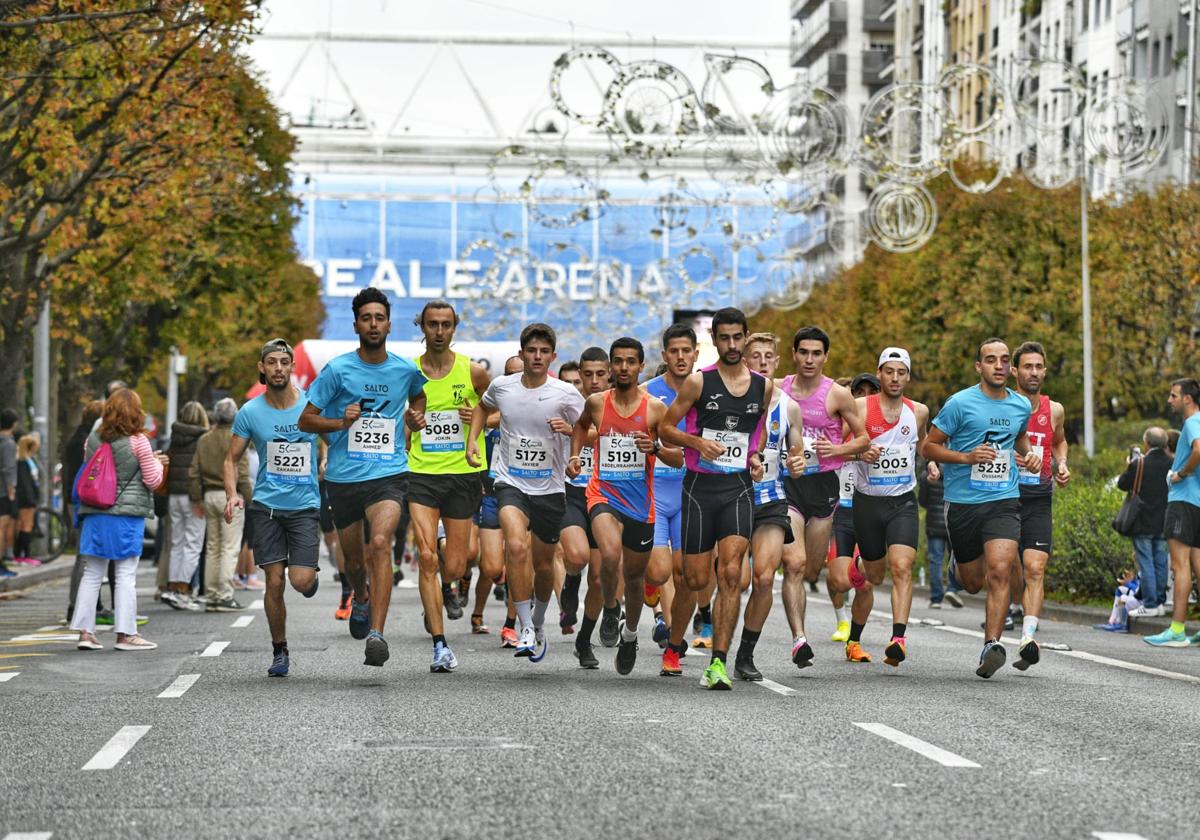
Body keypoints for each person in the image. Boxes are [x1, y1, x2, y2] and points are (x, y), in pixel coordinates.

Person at [299, 286, 428, 667]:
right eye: (366, 318)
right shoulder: (338, 369)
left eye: (380, 317)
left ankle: (377, 633)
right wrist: (341, 422)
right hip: (344, 478)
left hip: (389, 473)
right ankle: (360, 594)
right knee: (353, 562)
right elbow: (305, 419)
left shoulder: (405, 369)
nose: (374, 324)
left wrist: (412, 422)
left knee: (382, 543)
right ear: (356, 324)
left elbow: (418, 397)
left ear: (389, 324)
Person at [658, 307, 770, 691]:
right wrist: (696, 442)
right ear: (715, 341)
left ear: (746, 336)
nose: (733, 345)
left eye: (739, 337)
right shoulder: (697, 383)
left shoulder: (762, 386)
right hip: (699, 489)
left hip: (738, 488)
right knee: (694, 577)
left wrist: (755, 457)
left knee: (733, 573)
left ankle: (718, 662)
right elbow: (665, 427)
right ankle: (674, 643)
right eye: (725, 338)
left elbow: (757, 436)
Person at [922, 338, 1041, 678]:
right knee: (972, 583)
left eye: (1004, 360)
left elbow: (1021, 439)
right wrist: (966, 457)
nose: (999, 365)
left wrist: (1029, 455)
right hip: (963, 503)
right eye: (991, 360)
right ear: (979, 367)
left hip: (1004, 499)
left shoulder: (1020, 406)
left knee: (1001, 570)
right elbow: (929, 447)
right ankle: (956, 565)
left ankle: (991, 644)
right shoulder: (959, 404)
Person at [466, 323, 585, 661]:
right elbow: (481, 408)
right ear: (521, 354)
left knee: (544, 564)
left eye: (543, 352)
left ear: (553, 356)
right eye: (531, 351)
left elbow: (586, 429)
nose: (537, 357)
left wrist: (572, 442)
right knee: (515, 545)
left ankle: (538, 621)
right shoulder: (502, 386)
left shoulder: (565, 393)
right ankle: (525, 628)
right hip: (509, 481)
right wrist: (473, 440)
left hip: (549, 487)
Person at [569, 336, 677, 674]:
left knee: (634, 579)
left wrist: (656, 449)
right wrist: (575, 455)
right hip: (602, 494)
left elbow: (677, 457)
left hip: (640, 507)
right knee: (610, 554)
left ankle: (629, 635)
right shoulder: (599, 403)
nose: (624, 368)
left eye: (631, 361)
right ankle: (611, 610)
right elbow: (580, 427)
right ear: (612, 365)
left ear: (641, 366)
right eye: (618, 361)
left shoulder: (655, 409)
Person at [224, 339, 322, 677]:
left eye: (284, 362)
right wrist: (232, 494)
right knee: (274, 582)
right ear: (262, 368)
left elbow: (329, 441)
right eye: (272, 362)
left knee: (300, 580)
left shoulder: (311, 407)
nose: (279, 368)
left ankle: (310, 580)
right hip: (266, 506)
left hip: (305, 505)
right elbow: (230, 458)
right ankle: (280, 650)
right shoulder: (250, 411)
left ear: (292, 367)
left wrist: (325, 464)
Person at [777, 326, 869, 669]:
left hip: (824, 486)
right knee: (795, 564)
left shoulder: (838, 394)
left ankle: (802, 625)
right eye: (804, 352)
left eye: (816, 353)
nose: (810, 359)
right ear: (795, 354)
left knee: (812, 568)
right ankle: (799, 639)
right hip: (788, 485)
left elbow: (863, 440)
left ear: (825, 357)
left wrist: (838, 448)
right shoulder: (778, 390)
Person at [407, 300, 491, 673]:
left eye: (445, 324)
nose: (439, 331)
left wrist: (480, 419)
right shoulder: (409, 374)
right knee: (427, 557)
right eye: (432, 324)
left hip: (462, 474)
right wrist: (409, 422)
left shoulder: (473, 373)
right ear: (422, 328)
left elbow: (497, 411)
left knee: (455, 564)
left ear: (454, 328)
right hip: (421, 473)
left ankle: (447, 586)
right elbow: (398, 422)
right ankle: (440, 645)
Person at [842, 348, 932, 667]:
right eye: (889, 371)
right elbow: (838, 450)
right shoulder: (858, 407)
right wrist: (858, 455)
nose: (895, 378)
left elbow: (922, 444)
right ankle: (863, 564)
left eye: (901, 372)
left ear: (908, 376)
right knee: (875, 576)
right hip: (867, 503)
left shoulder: (918, 411)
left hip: (902, 502)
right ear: (879, 374)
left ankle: (898, 639)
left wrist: (930, 462)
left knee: (903, 566)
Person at [71, 388, 167, 652]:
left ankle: (85, 633)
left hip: (94, 512)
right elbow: (153, 480)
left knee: (92, 573)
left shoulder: (92, 439)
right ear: (136, 413)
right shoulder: (139, 442)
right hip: (125, 515)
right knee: (125, 573)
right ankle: (126, 634)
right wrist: (159, 463)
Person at [733, 332, 804, 681]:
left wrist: (797, 462)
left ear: (777, 362)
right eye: (755, 356)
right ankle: (714, 636)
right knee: (735, 578)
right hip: (733, 497)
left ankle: (745, 655)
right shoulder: (732, 400)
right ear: (745, 361)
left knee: (763, 578)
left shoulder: (788, 406)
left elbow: (797, 451)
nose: (762, 362)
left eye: (768, 356)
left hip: (772, 500)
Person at [1008, 341, 1070, 649]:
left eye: (1038, 367)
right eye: (1027, 367)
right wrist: (1008, 455)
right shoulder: (1001, 406)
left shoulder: (1054, 409)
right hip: (1003, 498)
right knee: (1006, 566)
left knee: (1035, 566)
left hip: (1038, 498)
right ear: (1014, 370)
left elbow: (1059, 442)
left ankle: (1027, 637)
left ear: (1044, 371)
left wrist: (1062, 464)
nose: (1033, 372)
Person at [645, 324, 697, 676]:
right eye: (673, 351)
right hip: (654, 491)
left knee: (687, 576)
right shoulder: (646, 393)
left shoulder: (708, 391)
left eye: (686, 351)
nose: (680, 357)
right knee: (660, 570)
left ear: (695, 354)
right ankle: (651, 590)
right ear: (664, 355)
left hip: (692, 492)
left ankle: (673, 643)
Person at [560, 347, 612, 668]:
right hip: (572, 492)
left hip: (606, 498)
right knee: (577, 556)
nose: (593, 381)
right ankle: (569, 579)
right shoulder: (566, 404)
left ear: (609, 374)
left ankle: (584, 640)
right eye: (586, 375)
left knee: (599, 579)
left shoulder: (619, 405)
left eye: (599, 374)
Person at [1145, 378, 1200, 647]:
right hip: (1198, 502)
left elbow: (1199, 450)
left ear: (1187, 398)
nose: (1170, 400)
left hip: (1183, 500)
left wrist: (1181, 473)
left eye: (1173, 395)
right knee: (1198, 566)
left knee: (1180, 567)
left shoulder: (1191, 424)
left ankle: (1177, 629)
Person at [826, 373, 880, 641]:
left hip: (869, 508)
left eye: (872, 391)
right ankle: (841, 617)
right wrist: (859, 451)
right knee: (840, 580)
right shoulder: (841, 422)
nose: (865, 396)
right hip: (840, 509)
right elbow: (830, 451)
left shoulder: (884, 424)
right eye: (860, 391)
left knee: (867, 583)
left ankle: (854, 640)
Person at [190, 399, 252, 612]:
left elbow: (194, 472)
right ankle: (225, 595)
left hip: (209, 495)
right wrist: (251, 501)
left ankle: (212, 594)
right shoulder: (239, 438)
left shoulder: (204, 439)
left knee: (212, 547)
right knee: (229, 547)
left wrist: (197, 498)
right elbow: (242, 474)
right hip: (231, 496)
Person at [485, 355, 524, 647]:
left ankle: (512, 624)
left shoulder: (539, 409)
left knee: (516, 555)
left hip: (523, 491)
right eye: (509, 375)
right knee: (490, 567)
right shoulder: (489, 411)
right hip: (489, 492)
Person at [1117, 427, 1171, 616]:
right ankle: (1160, 603)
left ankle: (1149, 604)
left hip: (1142, 521)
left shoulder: (1139, 463)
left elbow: (1122, 484)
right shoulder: (1172, 464)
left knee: (1146, 562)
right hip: (1165, 520)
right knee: (1161, 561)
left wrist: (1129, 465)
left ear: (1147, 443)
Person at [161, 401, 210, 611]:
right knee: (193, 544)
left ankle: (172, 586)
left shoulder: (175, 437)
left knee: (177, 542)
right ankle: (182, 589)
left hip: (174, 495)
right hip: (193, 496)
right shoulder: (202, 438)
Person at [917, 451, 962, 608]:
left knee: (935, 559)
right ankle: (952, 588)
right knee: (955, 558)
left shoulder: (926, 475)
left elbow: (922, 501)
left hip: (934, 524)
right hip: (953, 522)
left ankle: (936, 598)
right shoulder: (957, 472)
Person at [12, 433, 41, 564]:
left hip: (29, 497)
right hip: (26, 499)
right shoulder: (23, 462)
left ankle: (20, 555)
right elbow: (26, 483)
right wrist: (31, 499)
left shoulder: (28, 460)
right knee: (26, 526)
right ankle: (24, 555)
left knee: (24, 525)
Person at [0, 408, 15, 576]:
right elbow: (8, 468)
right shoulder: (9, 443)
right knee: (3, 528)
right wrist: (11, 490)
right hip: (3, 491)